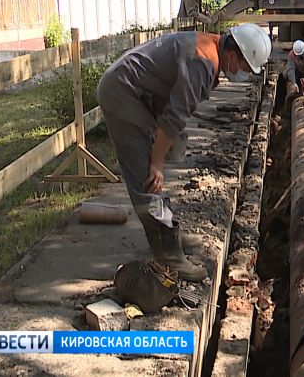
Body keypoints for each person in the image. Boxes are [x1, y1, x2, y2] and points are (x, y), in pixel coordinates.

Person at [96, 24, 272, 281]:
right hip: (123, 93)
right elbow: (174, 118)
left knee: (171, 147)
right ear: (234, 55)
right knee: (146, 174)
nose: (243, 74)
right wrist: (156, 163)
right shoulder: (203, 60)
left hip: (138, 91)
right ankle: (167, 254)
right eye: (245, 68)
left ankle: (169, 234)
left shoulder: (209, 44)